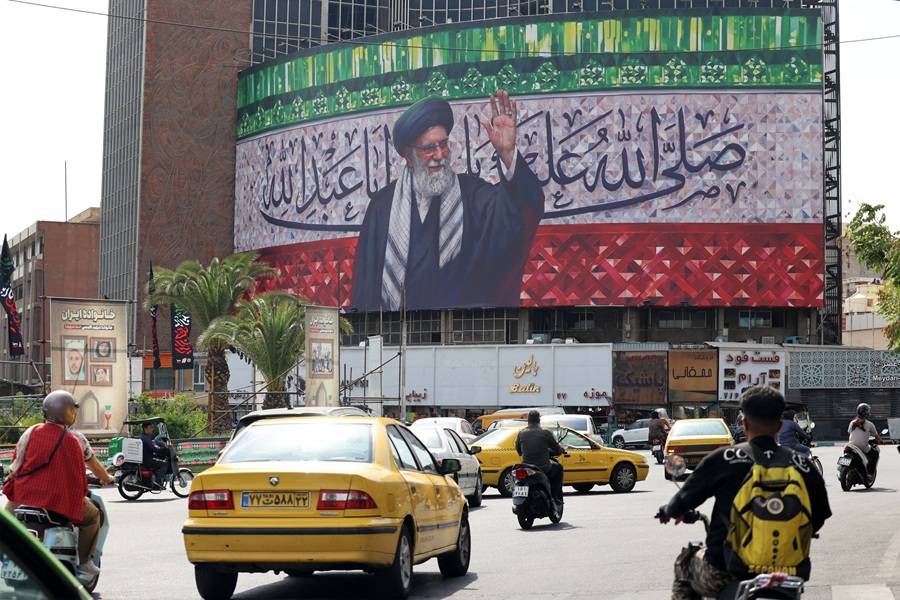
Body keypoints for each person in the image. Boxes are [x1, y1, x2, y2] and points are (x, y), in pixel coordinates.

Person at [351, 91, 545, 311]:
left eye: (443, 144)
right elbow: (365, 290)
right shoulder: (382, 208)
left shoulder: (472, 195)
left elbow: (521, 209)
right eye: (429, 148)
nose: (439, 155)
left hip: (461, 330)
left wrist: (508, 154)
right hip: (397, 330)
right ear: (408, 156)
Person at [657, 387, 831, 600]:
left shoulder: (724, 458)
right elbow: (820, 516)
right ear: (779, 425)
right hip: (788, 575)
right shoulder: (803, 464)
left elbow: (680, 503)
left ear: (744, 423)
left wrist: (669, 510)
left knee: (685, 562)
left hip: (725, 572)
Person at [2, 391, 103, 575]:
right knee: (93, 516)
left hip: (22, 498)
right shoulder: (72, 441)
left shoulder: (30, 432)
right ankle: (84, 562)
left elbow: (15, 464)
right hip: (56, 501)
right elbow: (79, 480)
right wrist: (82, 493)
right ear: (68, 412)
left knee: (6, 521)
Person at [514, 410, 565, 504]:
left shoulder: (521, 433)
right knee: (559, 468)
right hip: (543, 467)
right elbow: (557, 449)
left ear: (528, 421)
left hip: (526, 467)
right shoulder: (545, 433)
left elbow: (519, 451)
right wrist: (560, 450)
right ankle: (555, 497)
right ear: (539, 420)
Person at [848, 403, 882, 474]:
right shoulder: (870, 424)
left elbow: (849, 433)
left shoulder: (852, 422)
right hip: (862, 447)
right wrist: (881, 441)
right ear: (866, 413)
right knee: (875, 454)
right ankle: (870, 473)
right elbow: (877, 436)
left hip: (851, 445)